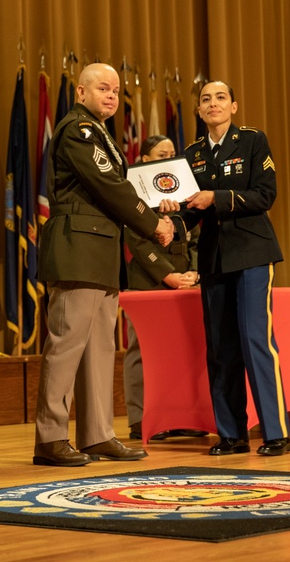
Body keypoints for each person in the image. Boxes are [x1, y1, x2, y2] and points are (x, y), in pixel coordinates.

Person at [33, 63, 175, 467]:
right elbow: (108, 185)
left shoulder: (101, 134)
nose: (111, 96)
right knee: (66, 345)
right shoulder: (78, 130)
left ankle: (97, 435)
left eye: (116, 90)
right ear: (81, 92)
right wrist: (152, 224)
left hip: (99, 251)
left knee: (99, 347)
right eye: (102, 88)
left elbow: (117, 187)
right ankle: (50, 437)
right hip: (77, 249)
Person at [174, 80, 290, 456]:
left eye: (220, 98)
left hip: (253, 254)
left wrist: (217, 198)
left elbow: (265, 195)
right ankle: (232, 434)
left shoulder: (254, 141)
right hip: (212, 259)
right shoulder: (191, 154)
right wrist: (168, 223)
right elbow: (190, 210)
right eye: (205, 100)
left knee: (256, 341)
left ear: (234, 106)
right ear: (198, 111)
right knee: (221, 349)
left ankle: (276, 433)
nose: (213, 104)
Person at [123, 134, 202, 441]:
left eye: (172, 153)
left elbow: (194, 234)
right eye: (161, 153)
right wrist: (168, 275)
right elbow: (137, 242)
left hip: (184, 282)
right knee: (143, 351)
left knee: (180, 352)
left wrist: (193, 272)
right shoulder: (134, 193)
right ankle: (140, 420)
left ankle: (179, 416)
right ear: (145, 160)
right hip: (149, 282)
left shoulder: (182, 189)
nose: (168, 158)